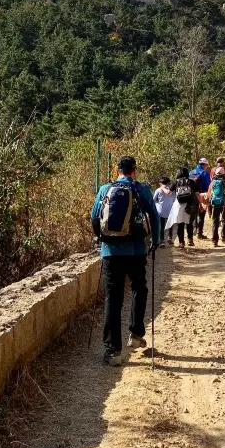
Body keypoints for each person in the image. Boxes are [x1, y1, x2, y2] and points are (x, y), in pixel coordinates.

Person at [91, 155, 160, 367]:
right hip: (136, 251)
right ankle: (136, 334)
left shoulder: (105, 189)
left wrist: (100, 239)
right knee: (139, 288)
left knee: (113, 298)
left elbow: (94, 218)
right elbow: (155, 218)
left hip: (111, 252)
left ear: (117, 171)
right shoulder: (142, 189)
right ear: (134, 171)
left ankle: (113, 352)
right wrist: (155, 242)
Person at [166, 167, 199, 248]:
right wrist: (201, 204)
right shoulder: (191, 182)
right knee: (189, 222)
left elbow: (168, 193)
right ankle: (190, 240)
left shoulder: (175, 183)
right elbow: (197, 194)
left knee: (180, 224)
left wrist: (163, 187)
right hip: (189, 205)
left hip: (179, 205)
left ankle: (181, 242)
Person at [207, 166, 225, 246]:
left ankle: (214, 240)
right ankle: (224, 236)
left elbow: (209, 195)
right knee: (224, 220)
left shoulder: (212, 183)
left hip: (215, 204)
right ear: (224, 174)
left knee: (215, 222)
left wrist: (208, 207)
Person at [153, 177, 175, 247]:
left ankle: (162, 241)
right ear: (169, 182)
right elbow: (174, 199)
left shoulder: (158, 190)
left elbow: (154, 200)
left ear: (160, 183)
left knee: (161, 226)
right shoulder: (172, 190)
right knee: (170, 224)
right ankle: (170, 237)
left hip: (160, 211)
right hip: (170, 210)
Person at [194, 157, 211, 239]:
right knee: (201, 214)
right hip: (202, 196)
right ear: (205, 164)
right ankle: (199, 233)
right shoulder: (205, 173)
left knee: (194, 214)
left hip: (192, 196)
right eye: (207, 165)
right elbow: (208, 187)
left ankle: (194, 229)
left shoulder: (192, 172)